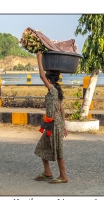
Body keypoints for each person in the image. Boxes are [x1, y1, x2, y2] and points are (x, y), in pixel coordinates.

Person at [34, 51, 68, 184]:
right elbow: (62, 109)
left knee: (58, 150)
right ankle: (47, 172)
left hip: (54, 124)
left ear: (49, 81)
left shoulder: (53, 90)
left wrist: (39, 58)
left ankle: (63, 176)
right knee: (42, 147)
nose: (45, 81)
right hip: (52, 124)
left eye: (46, 80)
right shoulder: (55, 92)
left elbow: (42, 75)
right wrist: (64, 125)